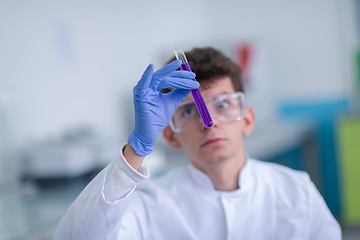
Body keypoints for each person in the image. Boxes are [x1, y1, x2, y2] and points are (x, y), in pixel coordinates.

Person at [53, 47, 341, 240]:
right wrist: (137, 148)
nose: (209, 122)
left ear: (248, 119)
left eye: (224, 104)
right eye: (190, 111)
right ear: (169, 135)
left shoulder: (295, 190)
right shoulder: (150, 203)